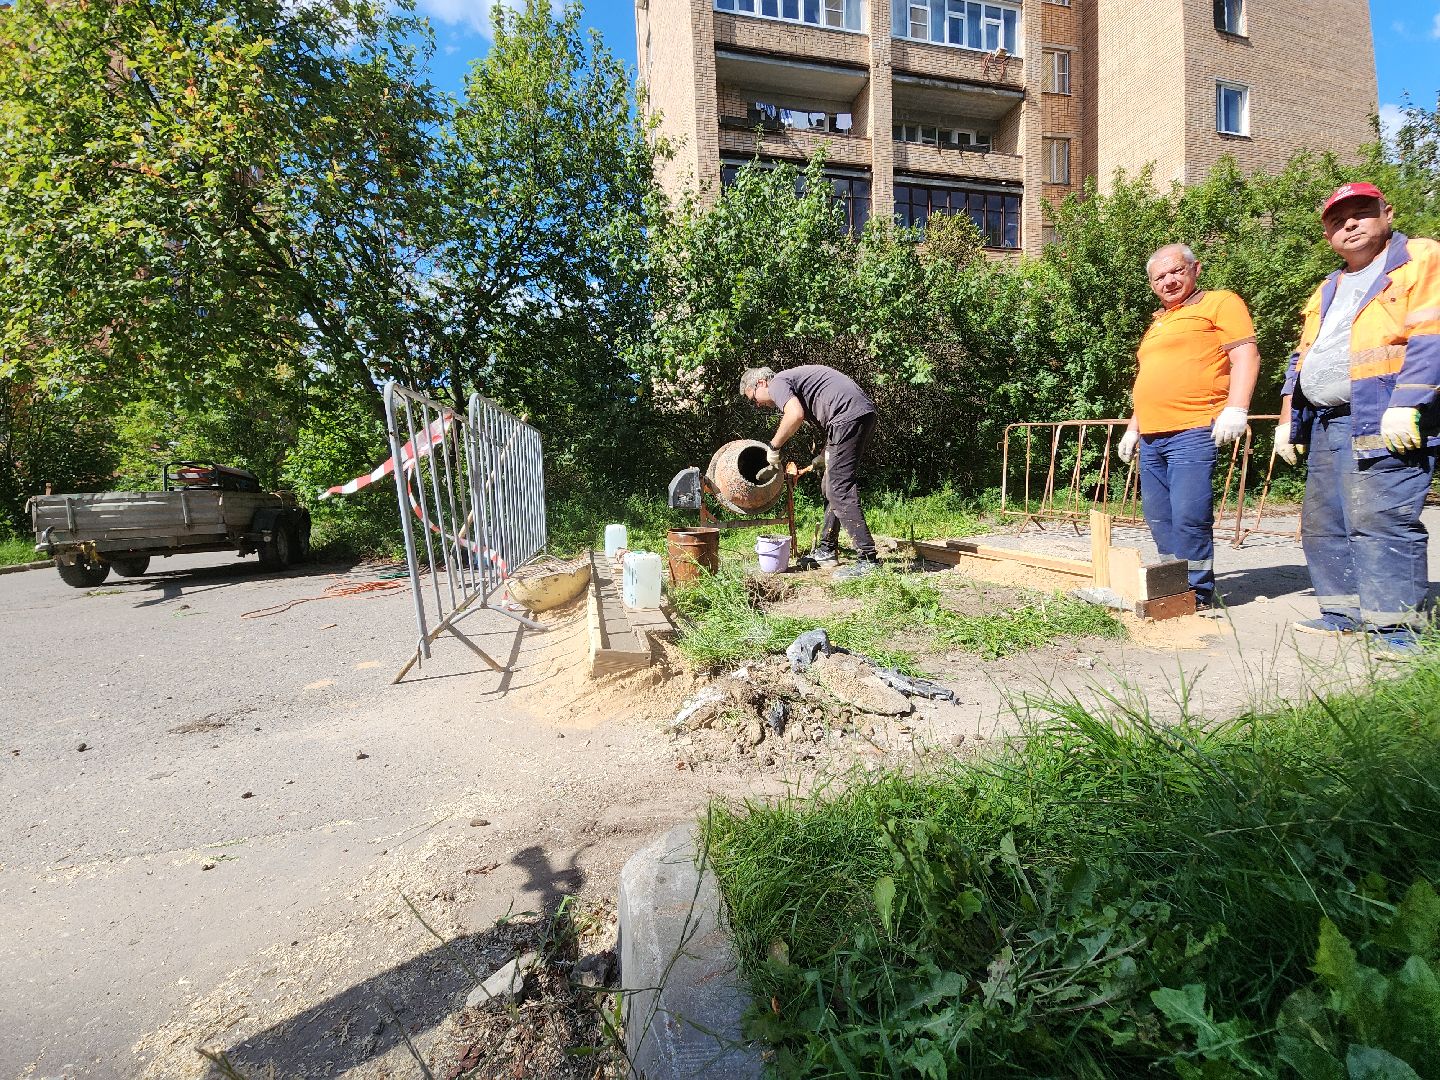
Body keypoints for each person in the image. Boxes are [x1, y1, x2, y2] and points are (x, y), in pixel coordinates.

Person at [1274, 182, 1440, 657]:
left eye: (1362, 213)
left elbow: (1432, 334)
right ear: (1327, 231)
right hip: (1327, 420)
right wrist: (1288, 418)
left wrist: (1408, 402)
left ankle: (1398, 628)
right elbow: (1304, 359)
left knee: (1381, 518)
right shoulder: (1330, 286)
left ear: (1387, 213)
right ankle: (1342, 612)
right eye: (1337, 219)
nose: (1349, 224)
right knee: (1325, 520)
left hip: (1384, 415)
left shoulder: (1420, 260)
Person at [1115, 244, 1261, 609]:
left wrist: (1237, 408)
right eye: (1159, 277)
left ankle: (1197, 593)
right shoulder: (1158, 322)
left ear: (1195, 269)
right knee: (1159, 516)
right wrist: (1134, 427)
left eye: (1175, 271)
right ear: (1152, 284)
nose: (1168, 281)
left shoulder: (1220, 303)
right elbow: (1150, 379)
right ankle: (1172, 586)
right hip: (1151, 436)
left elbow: (1245, 354)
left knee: (1188, 514)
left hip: (1193, 429)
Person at [739, 364, 879, 580]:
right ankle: (826, 551)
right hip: (857, 414)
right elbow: (833, 419)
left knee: (839, 488)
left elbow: (794, 414)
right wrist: (824, 454)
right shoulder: (793, 382)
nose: (757, 405)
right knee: (829, 485)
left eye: (753, 399)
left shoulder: (777, 383)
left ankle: (868, 560)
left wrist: (774, 447)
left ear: (761, 383)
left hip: (848, 416)